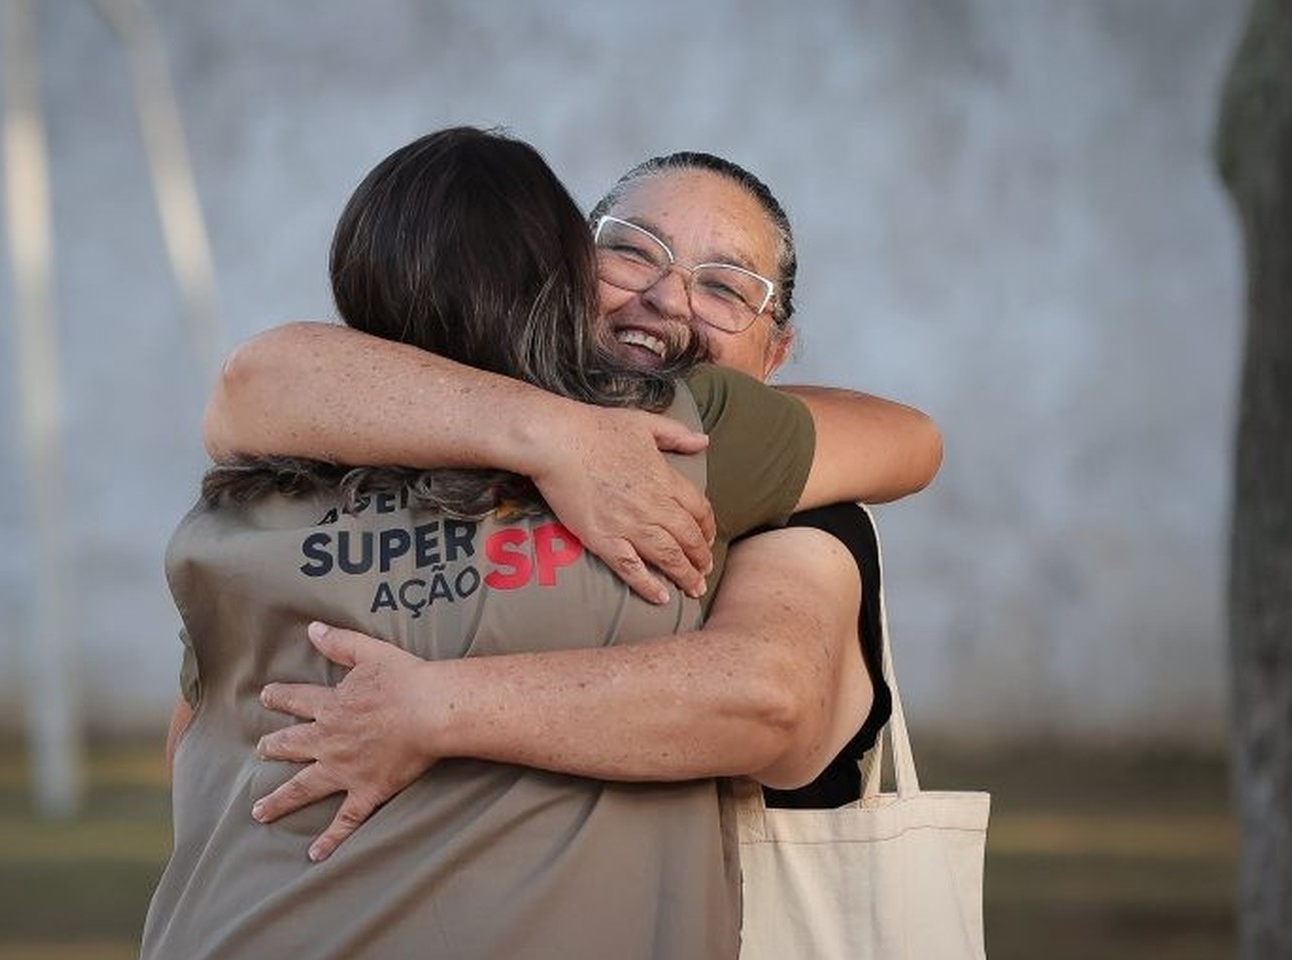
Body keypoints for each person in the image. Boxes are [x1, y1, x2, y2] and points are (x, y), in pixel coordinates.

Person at [144, 128, 932, 960]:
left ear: (778, 353)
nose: (668, 297)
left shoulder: (241, 508)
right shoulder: (678, 438)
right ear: (560, 275)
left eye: (728, 287)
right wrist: (557, 435)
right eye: (633, 252)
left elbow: (772, 700)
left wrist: (430, 707)